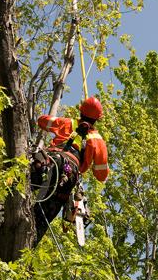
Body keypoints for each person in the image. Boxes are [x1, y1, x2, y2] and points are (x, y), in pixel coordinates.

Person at [32, 96, 109, 244]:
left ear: (81, 111)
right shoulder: (97, 139)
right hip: (69, 174)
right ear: (97, 119)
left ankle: (0, 215)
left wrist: (60, 123)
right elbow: (101, 175)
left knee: (19, 187)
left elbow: (42, 120)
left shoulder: (67, 123)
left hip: (49, 161)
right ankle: (28, 244)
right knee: (40, 222)